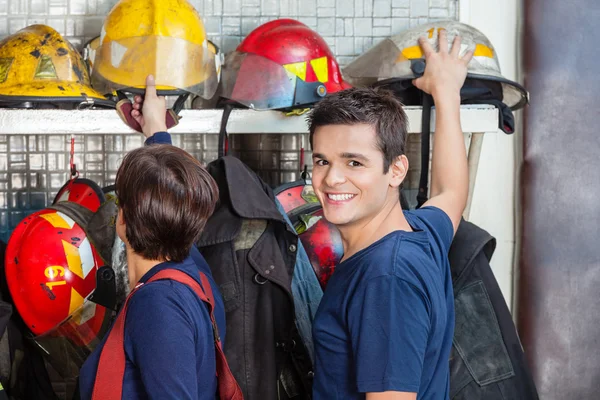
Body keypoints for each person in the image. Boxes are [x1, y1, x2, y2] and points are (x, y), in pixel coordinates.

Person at [309, 30, 473, 399]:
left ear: (396, 170)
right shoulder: (420, 232)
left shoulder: (385, 279)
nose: (332, 179)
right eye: (322, 161)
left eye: (354, 162)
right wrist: (446, 93)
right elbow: (452, 192)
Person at [78, 76, 227, 399]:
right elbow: (174, 193)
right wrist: (156, 130)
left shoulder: (158, 303)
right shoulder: (193, 275)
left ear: (123, 220)